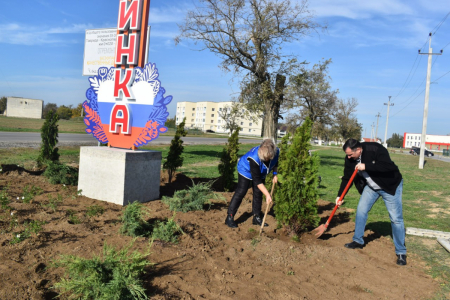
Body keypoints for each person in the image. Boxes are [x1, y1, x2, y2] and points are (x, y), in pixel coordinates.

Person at [337, 138, 407, 266]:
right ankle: (358, 241)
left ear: (358, 150)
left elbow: (388, 166)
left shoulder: (375, 148)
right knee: (361, 211)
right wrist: (340, 196)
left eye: (350, 154)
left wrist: (366, 166)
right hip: (371, 187)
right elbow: (347, 178)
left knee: (396, 218)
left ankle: (401, 252)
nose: (348, 157)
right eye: (347, 155)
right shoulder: (349, 159)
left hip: (389, 186)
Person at [225, 139, 279, 228]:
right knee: (241, 191)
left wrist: (275, 174)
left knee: (258, 192)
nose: (264, 159)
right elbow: (257, 181)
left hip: (260, 171)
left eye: (266, 158)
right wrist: (267, 195)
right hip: (245, 169)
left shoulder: (276, 152)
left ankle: (256, 217)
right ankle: (229, 217)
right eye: (263, 158)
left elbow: (276, 161)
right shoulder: (254, 158)